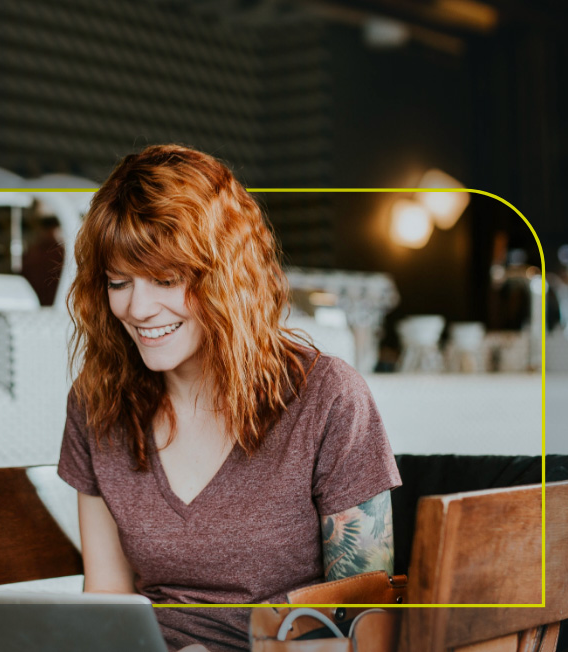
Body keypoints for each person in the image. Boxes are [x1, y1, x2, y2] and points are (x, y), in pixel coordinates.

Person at [57, 144, 401, 652]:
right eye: (118, 282)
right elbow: (106, 602)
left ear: (225, 277)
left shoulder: (327, 398)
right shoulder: (97, 403)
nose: (138, 308)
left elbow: (367, 629)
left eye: (167, 279)